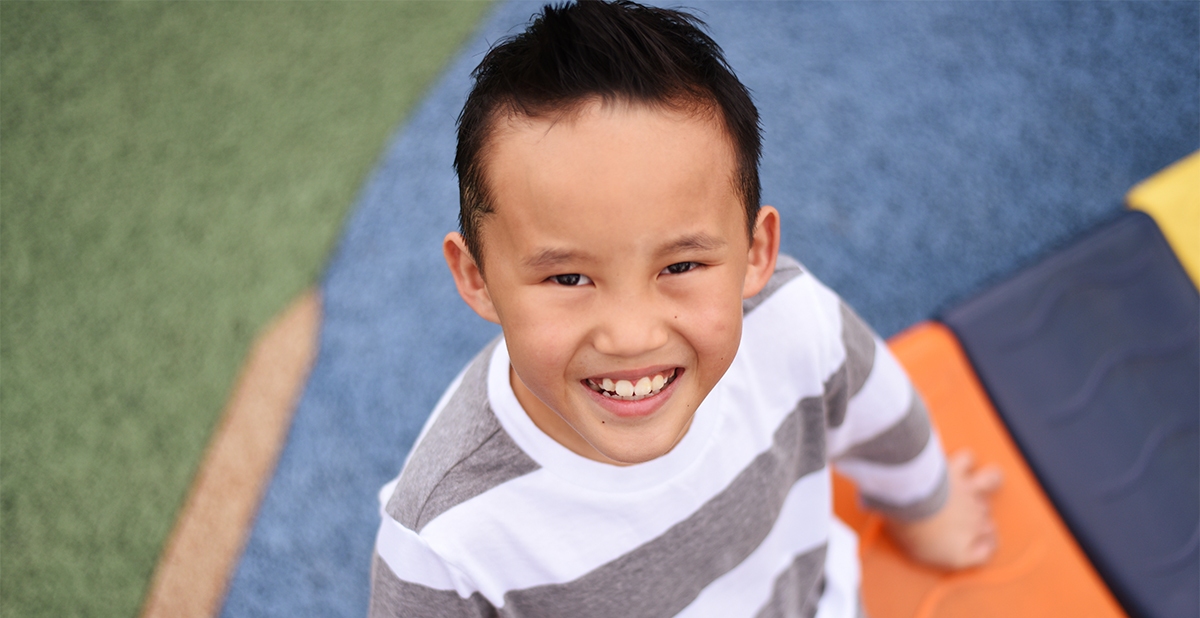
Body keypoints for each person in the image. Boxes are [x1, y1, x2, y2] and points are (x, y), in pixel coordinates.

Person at [370, 1, 1001, 616]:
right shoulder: (443, 538)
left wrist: (929, 508)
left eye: (679, 267)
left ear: (756, 252)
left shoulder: (791, 321)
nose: (630, 335)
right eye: (568, 277)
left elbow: (877, 406)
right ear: (476, 277)